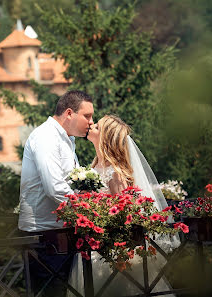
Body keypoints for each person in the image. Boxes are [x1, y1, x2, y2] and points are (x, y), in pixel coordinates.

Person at [68, 115, 179, 297]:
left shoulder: (115, 173)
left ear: (105, 137)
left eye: (98, 126)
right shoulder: (95, 166)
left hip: (110, 250)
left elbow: (124, 212)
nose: (92, 125)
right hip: (95, 247)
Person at [19, 90, 94, 297]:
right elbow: (55, 187)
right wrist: (90, 212)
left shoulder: (66, 139)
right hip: (45, 235)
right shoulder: (46, 137)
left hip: (61, 231)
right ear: (69, 113)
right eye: (87, 116)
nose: (91, 122)